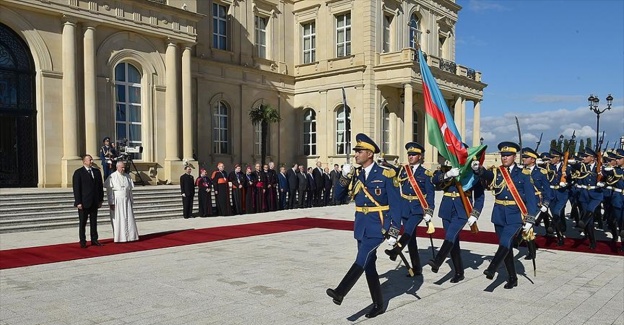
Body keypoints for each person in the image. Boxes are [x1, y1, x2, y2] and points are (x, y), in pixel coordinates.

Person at [326, 133, 401, 318]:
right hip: (361, 226)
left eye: (359, 151)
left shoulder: (386, 174)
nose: (356, 154)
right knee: (369, 266)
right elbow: (338, 197)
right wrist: (344, 177)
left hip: (378, 226)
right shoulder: (356, 175)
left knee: (362, 257)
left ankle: (340, 291)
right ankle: (379, 304)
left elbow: (396, 204)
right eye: (356, 151)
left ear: (369, 153)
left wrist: (394, 229)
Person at [478, 141, 538, 289]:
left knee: (505, 241)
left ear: (514, 156)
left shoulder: (523, 174)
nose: (504, 158)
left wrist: (530, 218)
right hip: (498, 215)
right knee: (507, 247)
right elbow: (486, 174)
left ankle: (492, 268)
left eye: (508, 155)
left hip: (515, 216)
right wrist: (477, 169)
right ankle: (512, 277)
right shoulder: (497, 171)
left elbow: (531, 198)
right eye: (503, 155)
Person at [428, 156, 484, 283]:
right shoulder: (446, 169)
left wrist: (475, 214)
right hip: (447, 209)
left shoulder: (471, 173)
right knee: (453, 242)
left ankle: (437, 261)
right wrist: (448, 174)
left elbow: (479, 196)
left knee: (450, 235)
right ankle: (459, 272)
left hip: (462, 209)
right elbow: (434, 180)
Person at [384, 142, 435, 276]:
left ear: (420, 156)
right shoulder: (402, 170)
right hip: (405, 207)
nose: (410, 157)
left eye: (413, 155)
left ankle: (396, 251)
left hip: (418, 208)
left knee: (408, 230)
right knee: (411, 239)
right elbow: (391, 173)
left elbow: (430, 194)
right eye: (409, 154)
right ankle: (417, 267)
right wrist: (382, 164)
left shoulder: (426, 173)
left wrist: (429, 211)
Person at [521, 147, 553, 259]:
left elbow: (548, 190)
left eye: (526, 157)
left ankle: (531, 252)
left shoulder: (541, 172)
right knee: (523, 224)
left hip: (536, 202)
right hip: (522, 201)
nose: (523, 159)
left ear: (533, 160)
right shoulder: (520, 171)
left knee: (529, 226)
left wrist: (546, 204)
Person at [574, 147, 604, 250]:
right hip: (584, 194)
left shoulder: (600, 167)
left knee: (590, 210)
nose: (584, 158)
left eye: (586, 156)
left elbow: (608, 176)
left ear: (592, 158)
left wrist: (603, 181)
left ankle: (582, 223)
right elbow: (574, 165)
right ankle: (592, 240)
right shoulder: (582, 166)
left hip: (596, 194)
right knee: (589, 221)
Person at [72, 154, 104, 248]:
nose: (91, 161)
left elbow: (100, 187)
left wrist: (100, 199)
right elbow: (76, 189)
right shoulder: (78, 173)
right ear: (84, 161)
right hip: (84, 202)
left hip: (94, 201)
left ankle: (94, 239)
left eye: (92, 160)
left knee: (94, 222)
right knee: (83, 223)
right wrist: (78, 202)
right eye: (90, 160)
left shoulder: (97, 172)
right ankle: (83, 241)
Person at [105, 161, 139, 242]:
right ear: (117, 167)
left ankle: (131, 236)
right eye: (122, 167)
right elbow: (109, 191)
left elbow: (130, 190)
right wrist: (111, 202)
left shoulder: (127, 176)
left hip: (127, 200)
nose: (123, 169)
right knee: (119, 219)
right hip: (117, 200)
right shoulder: (112, 176)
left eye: (124, 167)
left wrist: (131, 200)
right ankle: (120, 237)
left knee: (129, 218)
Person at [546, 148, 571, 246]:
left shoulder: (566, 168)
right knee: (555, 215)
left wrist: (566, 183)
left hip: (562, 193)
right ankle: (560, 233)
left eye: (553, 157)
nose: (550, 159)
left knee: (557, 212)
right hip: (552, 192)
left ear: (559, 158)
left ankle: (558, 233)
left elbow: (572, 179)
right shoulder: (548, 167)